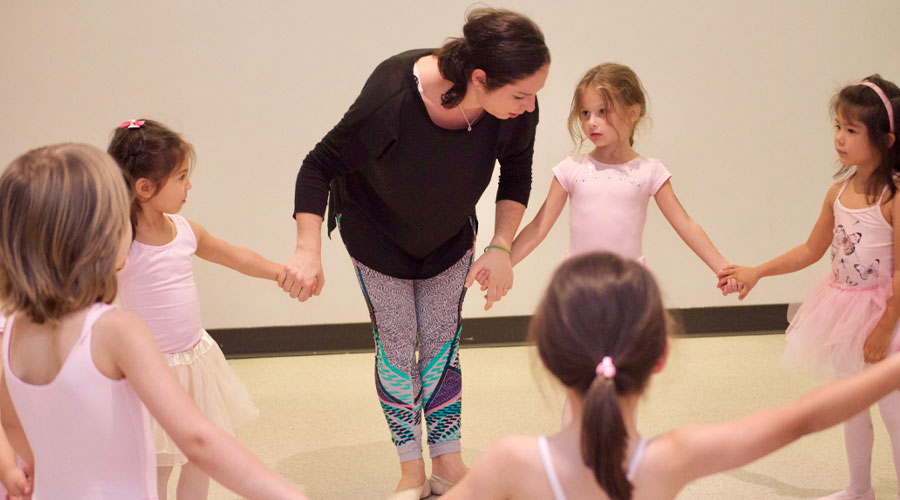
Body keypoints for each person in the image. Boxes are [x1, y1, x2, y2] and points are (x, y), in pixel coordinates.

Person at [280, 7, 550, 499]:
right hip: (375, 233)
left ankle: (447, 463)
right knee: (399, 345)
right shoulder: (395, 93)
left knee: (442, 345)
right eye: (520, 94)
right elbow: (318, 165)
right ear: (479, 77)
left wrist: (501, 246)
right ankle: (410, 470)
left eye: (535, 94)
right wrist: (307, 248)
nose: (529, 106)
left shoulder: (513, 112)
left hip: (448, 237)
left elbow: (516, 174)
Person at [443, 252, 900, 500]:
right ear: (658, 356)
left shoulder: (512, 462)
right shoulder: (673, 459)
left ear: (547, 355)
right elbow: (802, 418)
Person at [0, 143, 306, 499]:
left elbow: (12, 426)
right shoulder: (116, 331)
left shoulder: (10, 332)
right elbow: (198, 440)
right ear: (96, 235)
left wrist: (16, 470)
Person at [719, 74, 900, 500]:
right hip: (843, 313)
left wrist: (884, 327)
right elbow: (811, 249)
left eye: (851, 130)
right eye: (838, 127)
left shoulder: (893, 198)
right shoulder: (837, 193)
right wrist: (757, 271)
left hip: (888, 318)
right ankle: (859, 487)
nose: (839, 138)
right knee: (851, 406)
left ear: (887, 139)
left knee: (894, 410)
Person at [108, 119, 281, 499]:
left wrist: (279, 273)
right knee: (157, 465)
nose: (190, 186)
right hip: (150, 369)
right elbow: (100, 277)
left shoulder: (186, 231)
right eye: (182, 177)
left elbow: (235, 256)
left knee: (201, 458)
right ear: (144, 187)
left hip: (195, 361)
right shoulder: (122, 241)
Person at [509, 63, 736, 292]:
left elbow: (685, 224)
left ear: (633, 113)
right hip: (578, 285)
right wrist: (503, 263)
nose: (591, 122)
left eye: (603, 112)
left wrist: (723, 269)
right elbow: (538, 226)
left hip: (628, 286)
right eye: (585, 113)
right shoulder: (570, 169)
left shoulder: (649, 171)